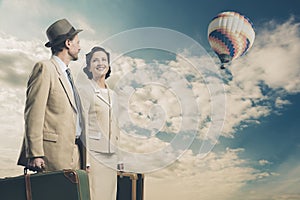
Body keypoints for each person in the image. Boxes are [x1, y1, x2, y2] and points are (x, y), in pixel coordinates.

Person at [17, 18, 88, 172]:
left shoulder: (69, 77)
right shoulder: (45, 68)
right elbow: (33, 113)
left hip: (75, 154)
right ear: (68, 43)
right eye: (77, 42)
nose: (80, 47)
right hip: (52, 155)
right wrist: (35, 154)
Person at [78, 46, 123, 200]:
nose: (100, 63)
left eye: (104, 59)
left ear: (108, 65)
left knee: (109, 196)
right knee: (93, 195)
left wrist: (120, 157)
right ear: (89, 66)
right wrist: (87, 160)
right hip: (94, 155)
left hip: (111, 156)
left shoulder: (113, 95)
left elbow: (117, 128)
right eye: (95, 60)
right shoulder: (84, 90)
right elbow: (82, 126)